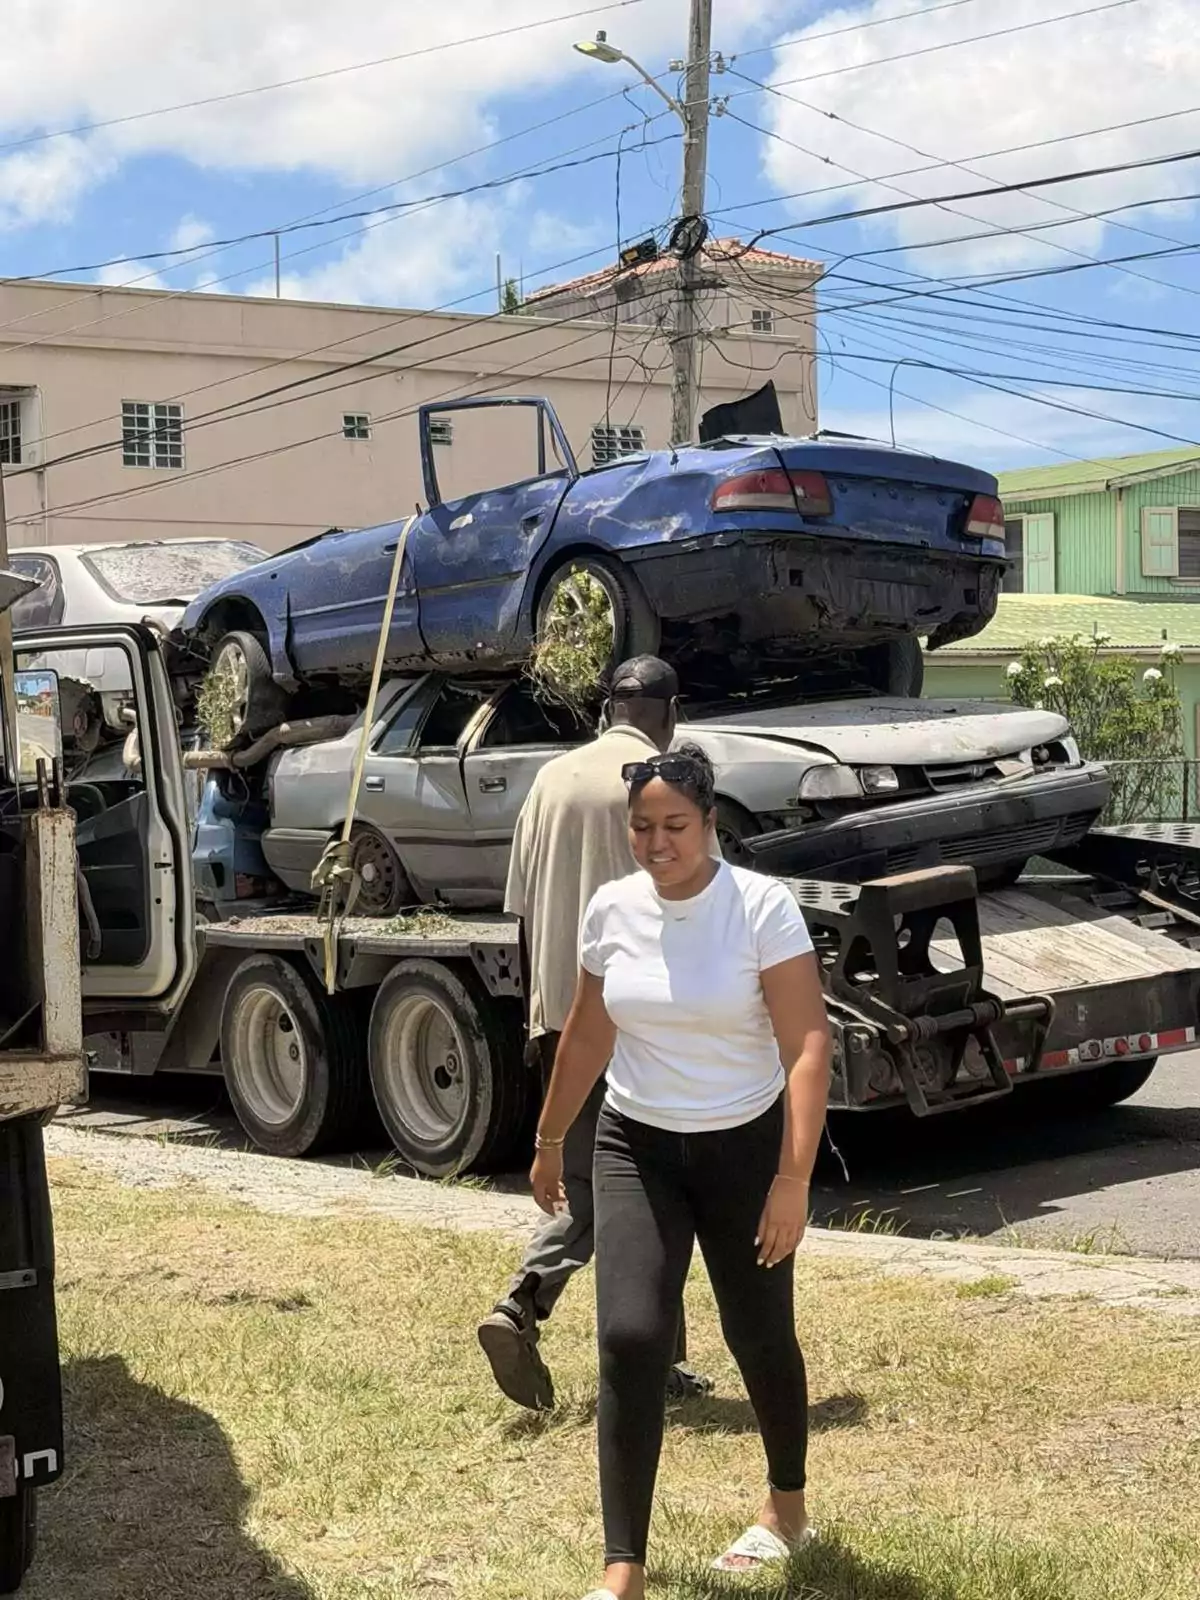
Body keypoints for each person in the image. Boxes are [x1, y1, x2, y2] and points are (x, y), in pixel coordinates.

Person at [530, 745, 831, 1600]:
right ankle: (622, 1565)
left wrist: (792, 1179)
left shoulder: (759, 908)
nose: (657, 843)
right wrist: (553, 1137)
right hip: (637, 1144)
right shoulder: (612, 907)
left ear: (709, 823)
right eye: (641, 828)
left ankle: (786, 1509)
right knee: (630, 1336)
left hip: (745, 1147)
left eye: (675, 826)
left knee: (758, 1333)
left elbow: (807, 1043)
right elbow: (588, 1030)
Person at [476, 657, 712, 1412]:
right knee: (662, 1193)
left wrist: (534, 1018)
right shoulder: (662, 785)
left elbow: (517, 913)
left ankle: (525, 1306)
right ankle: (615, 1343)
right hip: (642, 1027)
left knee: (590, 1188)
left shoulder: (551, 779)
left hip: (559, 1021)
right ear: (669, 712)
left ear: (609, 707)